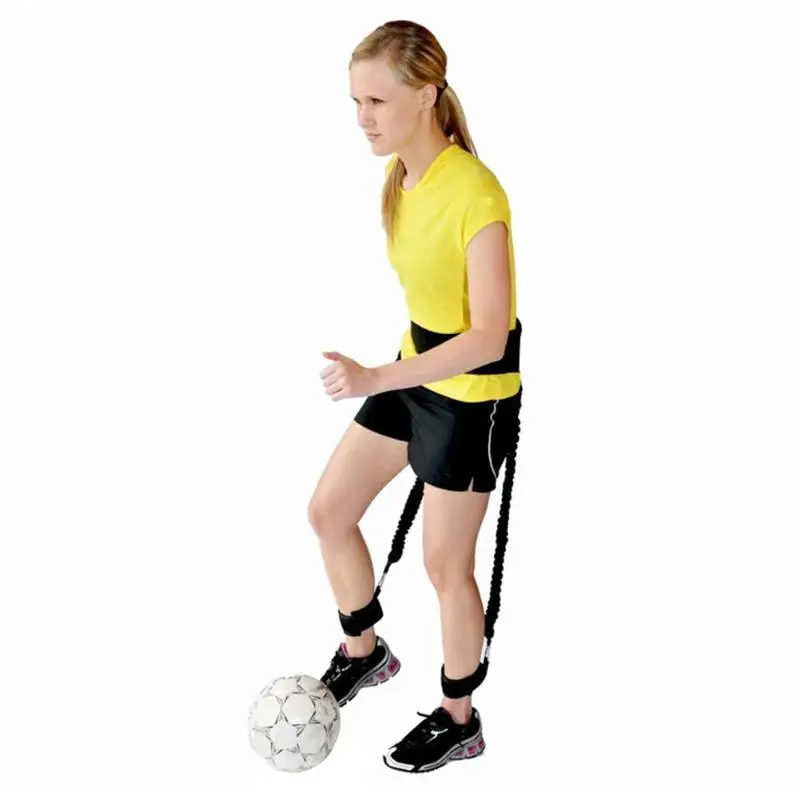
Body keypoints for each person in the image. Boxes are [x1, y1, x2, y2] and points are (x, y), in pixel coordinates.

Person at [308, 19, 522, 774]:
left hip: (472, 395)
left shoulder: (477, 194)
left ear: (427, 95)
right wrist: (391, 374)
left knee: (443, 566)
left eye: (377, 101)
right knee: (329, 511)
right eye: (355, 101)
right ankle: (364, 651)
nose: (362, 118)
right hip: (416, 370)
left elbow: (489, 336)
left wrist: (374, 378)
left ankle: (460, 719)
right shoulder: (400, 176)